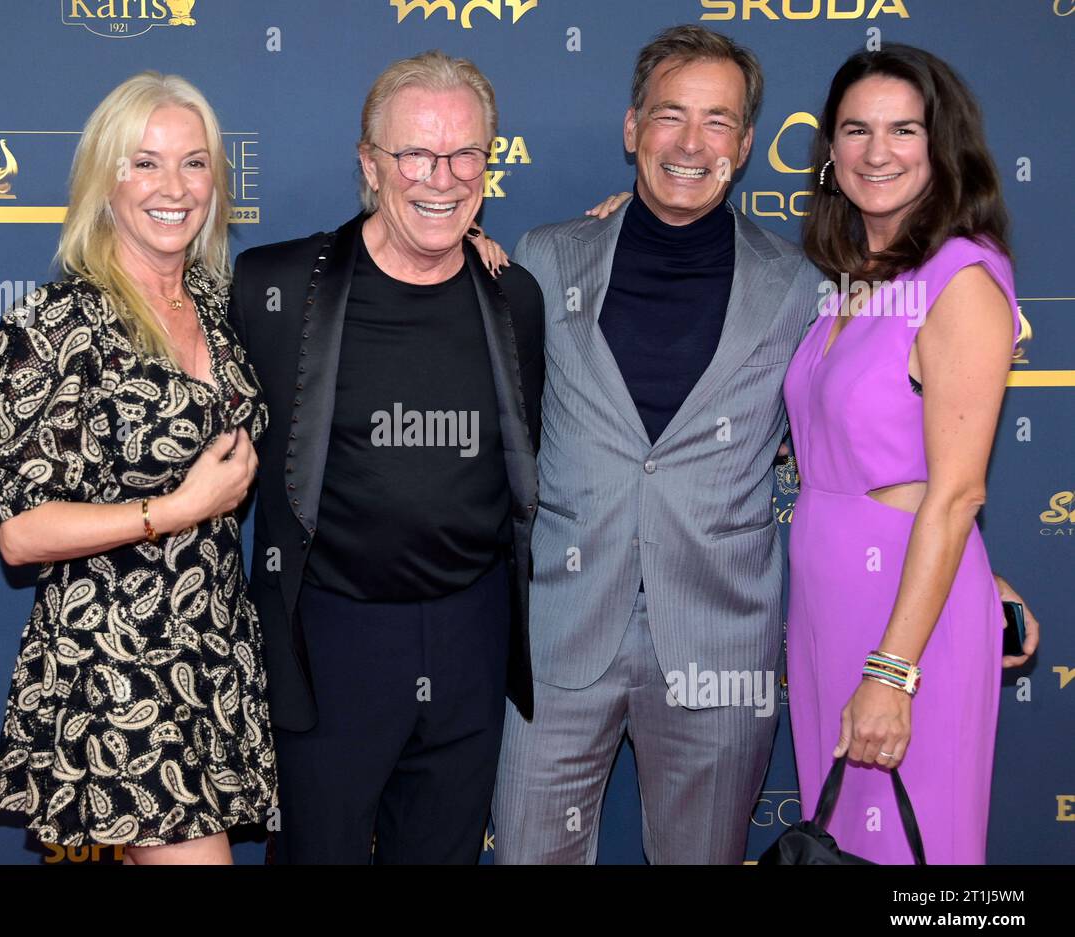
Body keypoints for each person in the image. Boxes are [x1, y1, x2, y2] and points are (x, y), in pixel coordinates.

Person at [491, 25, 823, 865]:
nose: (690, 142)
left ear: (746, 145)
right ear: (633, 127)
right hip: (562, 631)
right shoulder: (548, 257)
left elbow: (859, 443)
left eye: (718, 121)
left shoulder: (801, 288)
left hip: (721, 643)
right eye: (670, 115)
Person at [0, 72, 273, 865]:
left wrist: (465, 239)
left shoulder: (216, 304)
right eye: (145, 163)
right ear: (104, 179)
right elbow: (19, 535)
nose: (174, 187)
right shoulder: (58, 324)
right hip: (118, 666)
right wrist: (181, 506)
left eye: (195, 164)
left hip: (211, 651)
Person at [228, 50, 544, 864]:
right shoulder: (275, 288)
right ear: (370, 164)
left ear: (487, 163)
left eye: (464, 153)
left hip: (473, 635)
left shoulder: (515, 297)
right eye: (414, 154)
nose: (440, 176)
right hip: (332, 638)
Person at [783, 44, 1035, 863]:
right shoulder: (856, 275)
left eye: (904, 130)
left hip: (902, 629)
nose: (876, 151)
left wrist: (893, 672)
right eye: (855, 130)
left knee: (909, 852)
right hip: (827, 604)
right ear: (831, 152)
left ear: (942, 146)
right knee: (843, 845)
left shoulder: (961, 278)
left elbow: (957, 493)